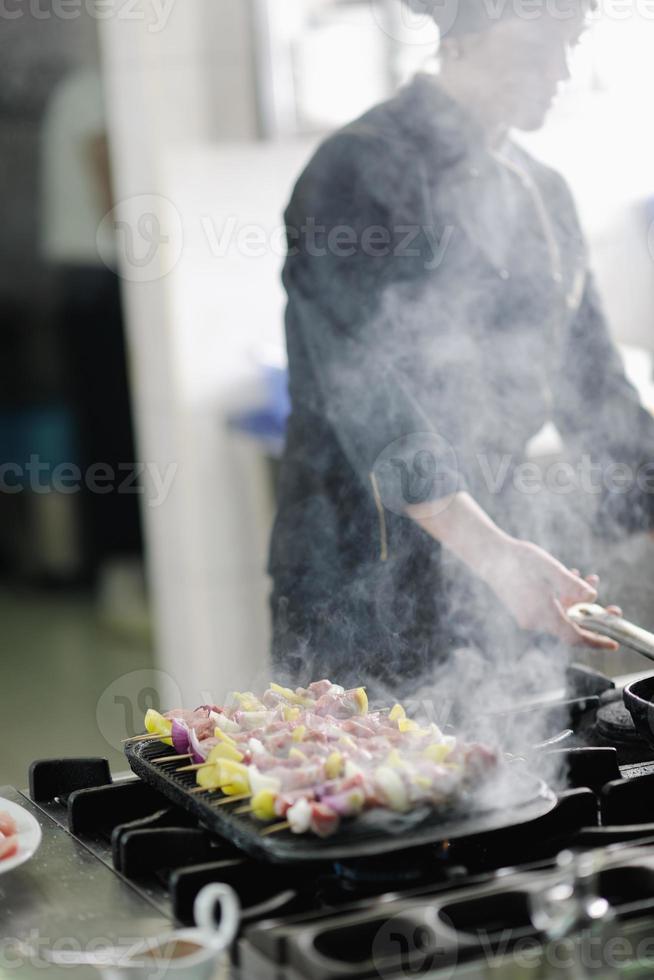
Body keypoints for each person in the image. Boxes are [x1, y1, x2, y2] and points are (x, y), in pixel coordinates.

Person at [268, 0, 654, 695]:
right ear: (463, 32)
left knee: (515, 783)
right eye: (540, 39)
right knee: (366, 784)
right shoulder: (356, 171)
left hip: (502, 579)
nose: (561, 69)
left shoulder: (545, 193)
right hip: (360, 582)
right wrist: (495, 556)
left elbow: (597, 391)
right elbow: (369, 391)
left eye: (573, 41)